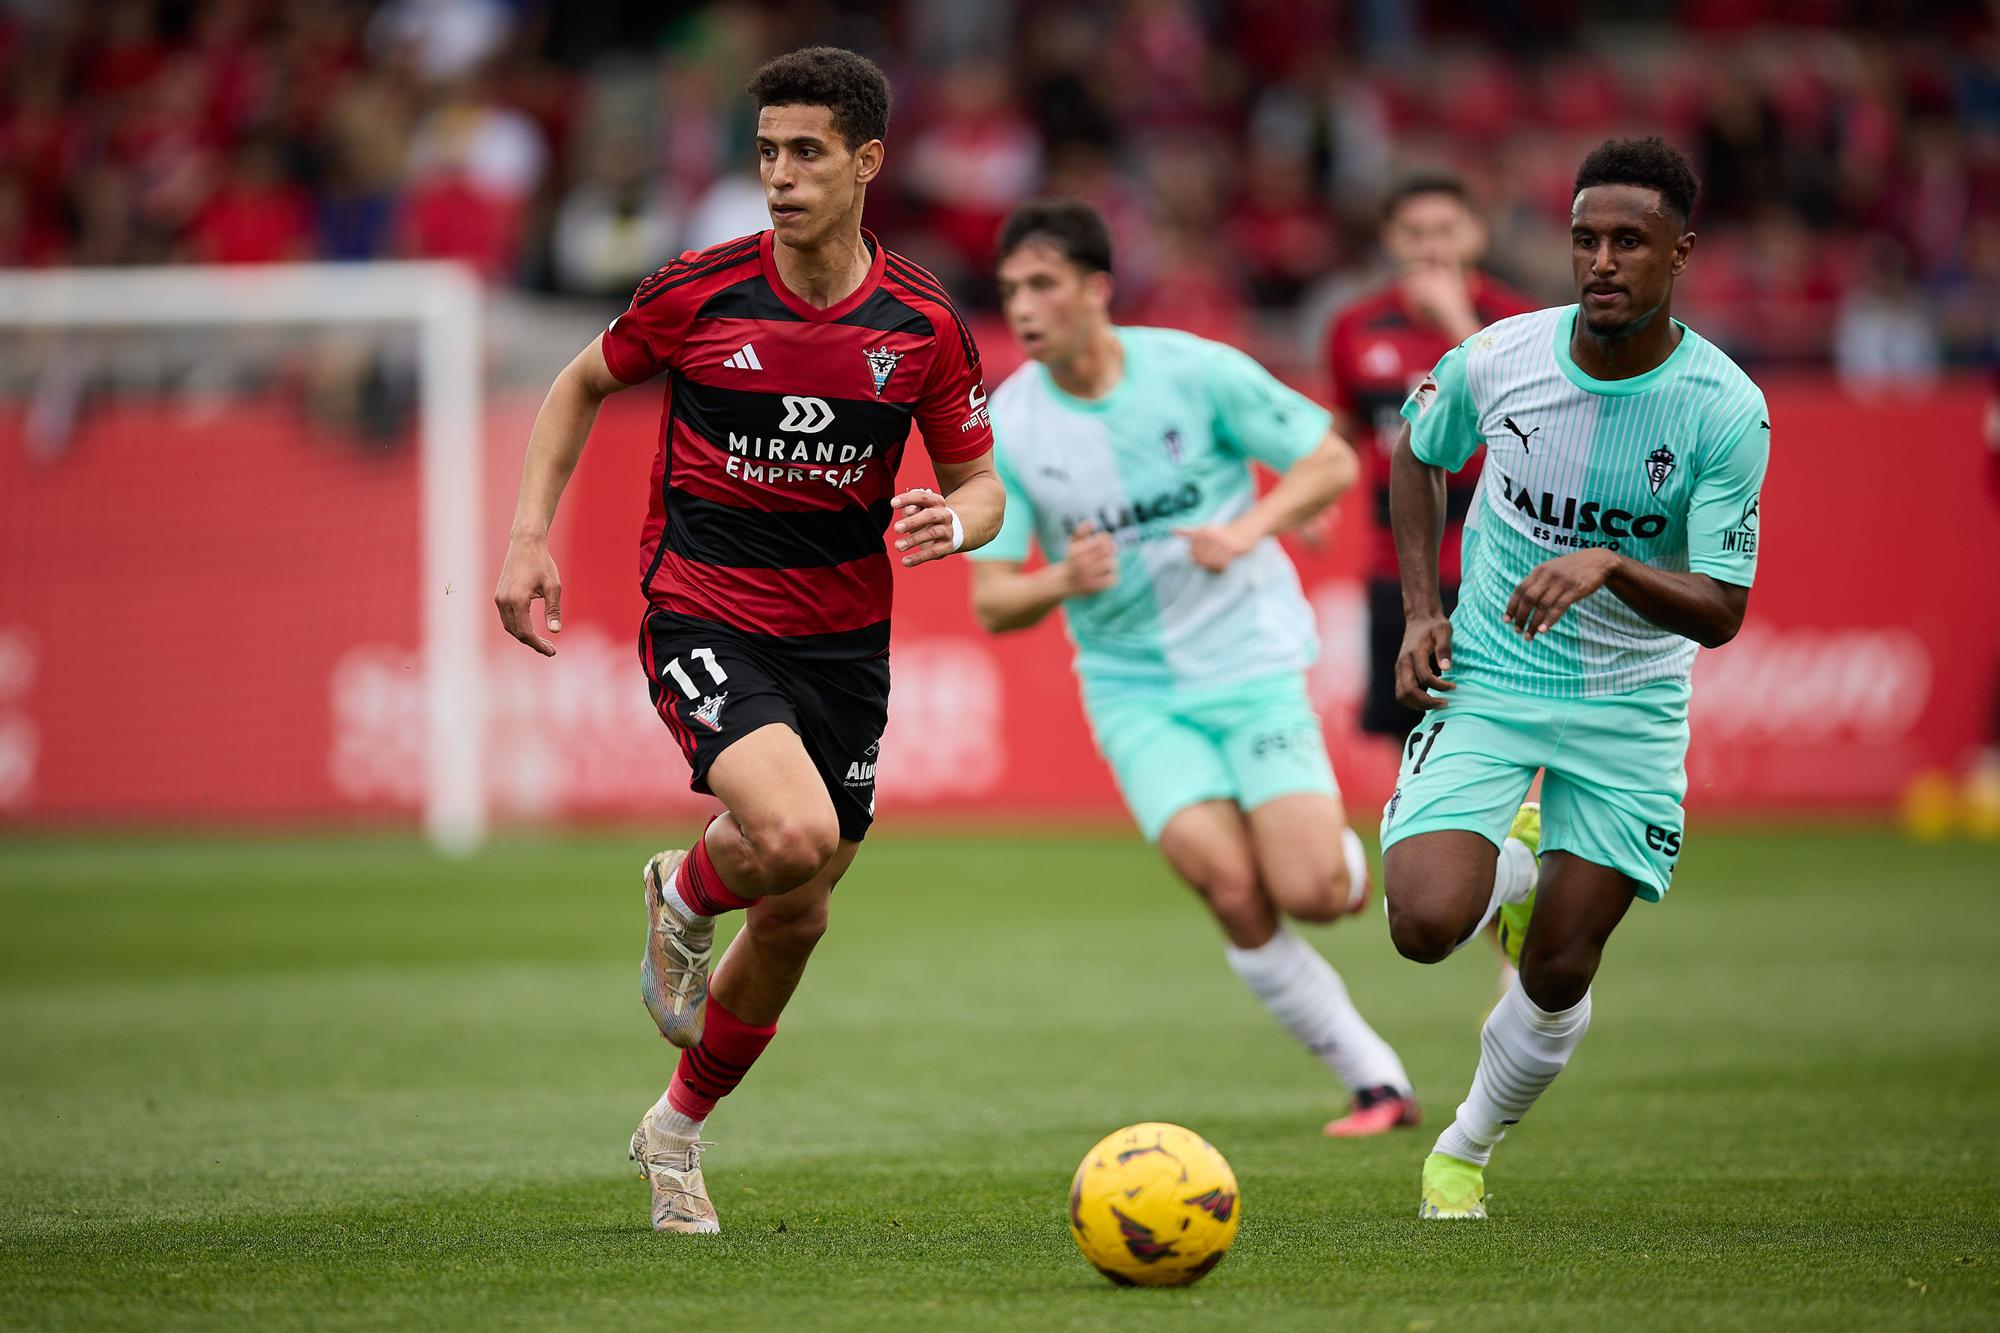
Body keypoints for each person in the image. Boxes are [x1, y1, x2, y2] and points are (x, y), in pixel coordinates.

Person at [493, 47, 1003, 1233]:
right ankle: (679, 892)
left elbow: (982, 487)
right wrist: (527, 539)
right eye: (766, 151)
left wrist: (954, 519)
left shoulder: (921, 322)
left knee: (800, 911)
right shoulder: (699, 289)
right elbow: (575, 386)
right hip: (705, 605)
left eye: (807, 152)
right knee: (788, 830)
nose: (779, 175)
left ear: (866, 163)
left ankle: (673, 1131)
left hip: (844, 644)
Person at [969, 199, 1420, 1138]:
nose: (1024, 305)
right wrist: (1061, 575)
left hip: (1248, 661)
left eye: (1043, 284)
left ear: (1097, 291)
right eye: (1011, 289)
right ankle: (1375, 1078)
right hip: (1133, 692)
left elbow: (1331, 459)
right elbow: (993, 603)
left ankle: (1337, 855)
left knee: (1312, 893)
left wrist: (1252, 525)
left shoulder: (1193, 370)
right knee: (1230, 886)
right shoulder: (1007, 425)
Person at [1380, 138, 1769, 1219]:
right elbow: (1414, 453)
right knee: (1419, 927)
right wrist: (1422, 607)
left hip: (1629, 704)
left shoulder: (1720, 409)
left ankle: (1461, 1148)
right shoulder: (1498, 359)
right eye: (1584, 239)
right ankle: (1508, 868)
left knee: (1555, 971)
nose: (1601, 261)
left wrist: (1609, 563)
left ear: (1678, 253)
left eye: (1628, 242)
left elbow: (1723, 609)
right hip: (1495, 672)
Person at [1324, 173, 1531, 742]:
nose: (1431, 246)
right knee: (1407, 730)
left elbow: (1529, 424)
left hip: (1496, 564)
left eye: (1445, 230)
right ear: (1389, 240)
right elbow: (1347, 427)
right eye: (1414, 233)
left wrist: (1455, 323)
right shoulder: (1354, 327)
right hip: (1398, 565)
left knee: (1498, 730)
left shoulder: (1520, 324)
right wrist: (1312, 496)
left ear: (1476, 234)